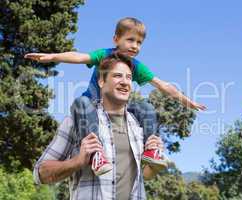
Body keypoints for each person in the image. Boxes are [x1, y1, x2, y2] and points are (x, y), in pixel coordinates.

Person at [25, 17, 206, 174]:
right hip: (93, 104)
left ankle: (151, 151)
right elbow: (79, 57)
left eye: (139, 42)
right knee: (80, 102)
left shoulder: (136, 66)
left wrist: (188, 102)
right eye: (130, 40)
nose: (135, 46)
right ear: (116, 39)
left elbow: (162, 85)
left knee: (146, 108)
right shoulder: (104, 54)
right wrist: (52, 57)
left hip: (117, 108)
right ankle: (96, 155)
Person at [33, 51, 162, 200]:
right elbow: (40, 174)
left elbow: (144, 176)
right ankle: (96, 158)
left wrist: (153, 166)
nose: (125, 82)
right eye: (117, 76)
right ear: (101, 81)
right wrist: (78, 161)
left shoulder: (139, 127)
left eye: (129, 77)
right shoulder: (76, 121)